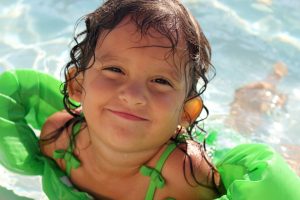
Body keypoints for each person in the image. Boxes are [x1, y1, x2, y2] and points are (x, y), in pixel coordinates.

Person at [39, 0, 221, 199]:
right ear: (77, 85)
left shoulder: (186, 176)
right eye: (115, 70)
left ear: (187, 112)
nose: (133, 96)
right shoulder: (58, 140)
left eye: (161, 81)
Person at [226, 61, 288, 135]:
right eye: (274, 75)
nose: (275, 79)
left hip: (248, 128)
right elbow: (238, 92)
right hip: (238, 123)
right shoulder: (259, 87)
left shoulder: (276, 96)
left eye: (278, 77)